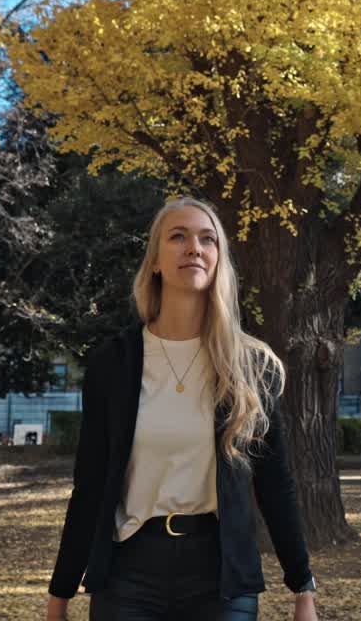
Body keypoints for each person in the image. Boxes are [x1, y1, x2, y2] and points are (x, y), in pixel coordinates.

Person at [45, 198, 317, 621]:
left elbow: (275, 483)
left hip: (221, 576)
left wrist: (303, 587)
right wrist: (60, 593)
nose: (194, 247)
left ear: (219, 260)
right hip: (127, 573)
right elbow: (91, 485)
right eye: (178, 236)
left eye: (208, 239)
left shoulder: (249, 366)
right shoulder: (112, 363)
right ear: (154, 261)